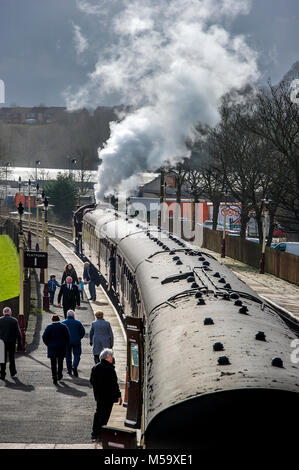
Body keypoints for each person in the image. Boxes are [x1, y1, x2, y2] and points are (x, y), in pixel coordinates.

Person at [90, 348, 122, 442]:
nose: (112, 358)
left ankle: (95, 433)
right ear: (107, 357)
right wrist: (118, 395)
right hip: (108, 397)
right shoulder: (110, 369)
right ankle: (101, 434)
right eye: (111, 356)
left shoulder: (95, 367)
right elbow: (114, 384)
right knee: (105, 415)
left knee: (98, 413)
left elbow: (92, 381)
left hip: (99, 396)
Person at [42, 314, 70, 385]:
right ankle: (59, 375)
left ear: (52, 320)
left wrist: (48, 344)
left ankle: (54, 376)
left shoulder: (49, 327)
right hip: (61, 347)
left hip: (52, 347)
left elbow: (44, 337)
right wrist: (65, 344)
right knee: (60, 362)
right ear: (59, 319)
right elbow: (68, 337)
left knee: (53, 363)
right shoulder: (64, 327)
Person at [0, 307, 22, 380]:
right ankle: (12, 372)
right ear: (10, 313)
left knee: (2, 358)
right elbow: (19, 334)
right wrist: (19, 344)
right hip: (11, 342)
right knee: (11, 358)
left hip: (2, 342)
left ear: (3, 313)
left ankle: (2, 374)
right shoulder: (14, 321)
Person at [62, 310, 85, 377]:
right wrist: (79, 337)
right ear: (73, 315)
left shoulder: (63, 323)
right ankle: (74, 366)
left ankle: (69, 370)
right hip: (76, 341)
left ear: (67, 315)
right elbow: (83, 332)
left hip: (67, 342)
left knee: (68, 356)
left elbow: (61, 333)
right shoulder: (78, 323)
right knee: (77, 355)